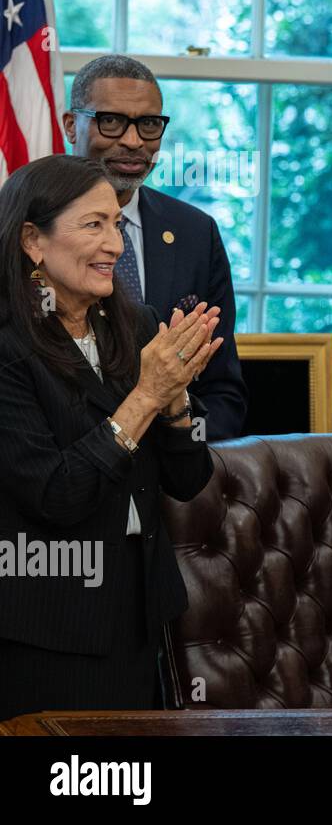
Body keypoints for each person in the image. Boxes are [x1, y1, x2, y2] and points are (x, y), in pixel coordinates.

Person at [0, 155, 221, 721]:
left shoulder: (139, 324)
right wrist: (146, 395)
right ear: (33, 241)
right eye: (93, 225)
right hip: (47, 623)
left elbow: (188, 479)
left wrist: (174, 402)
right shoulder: (8, 348)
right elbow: (56, 494)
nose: (116, 246)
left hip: (141, 611)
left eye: (116, 224)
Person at [63, 55, 247, 441]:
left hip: (172, 485)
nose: (133, 142)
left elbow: (223, 391)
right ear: (70, 125)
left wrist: (183, 457)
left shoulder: (197, 232)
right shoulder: (26, 229)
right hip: (64, 476)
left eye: (148, 125)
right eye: (111, 121)